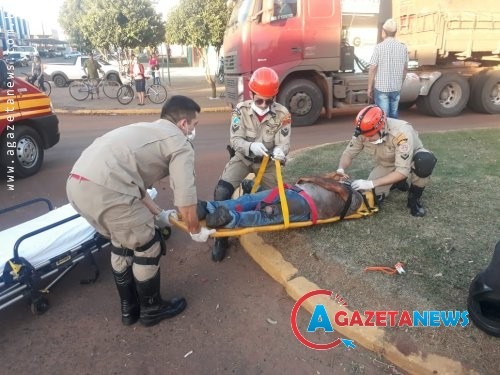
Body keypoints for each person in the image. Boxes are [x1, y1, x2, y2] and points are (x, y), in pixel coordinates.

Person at [66, 95, 215, 327]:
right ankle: (152, 309)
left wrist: (159, 214)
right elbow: (185, 199)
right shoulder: (179, 143)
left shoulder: (146, 130)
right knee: (147, 244)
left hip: (77, 185)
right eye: (194, 125)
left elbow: (137, 186)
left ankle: (130, 308)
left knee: (123, 239)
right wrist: (195, 229)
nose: (193, 131)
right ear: (184, 124)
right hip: (108, 189)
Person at [211, 66, 292, 261]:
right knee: (221, 192)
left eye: (269, 100)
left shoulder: (283, 113)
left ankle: (250, 191)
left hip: (269, 163)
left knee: (273, 204)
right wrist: (250, 147)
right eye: (259, 100)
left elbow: (284, 142)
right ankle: (222, 237)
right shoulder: (240, 110)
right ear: (252, 93)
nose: (264, 105)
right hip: (243, 158)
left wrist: (281, 151)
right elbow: (235, 140)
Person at [336, 105, 437, 217]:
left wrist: (370, 183)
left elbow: (402, 171)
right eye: (364, 135)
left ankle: (414, 200)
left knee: (424, 162)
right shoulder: (363, 131)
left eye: (370, 136)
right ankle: (398, 182)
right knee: (372, 196)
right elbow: (348, 153)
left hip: (411, 159)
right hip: (388, 164)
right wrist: (341, 169)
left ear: (381, 127)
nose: (367, 139)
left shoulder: (401, 133)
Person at [198, 172, 363, 228]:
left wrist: (311, 177)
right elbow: (327, 183)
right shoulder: (338, 194)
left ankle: (228, 218)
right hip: (294, 194)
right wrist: (332, 174)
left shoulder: (351, 196)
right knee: (252, 200)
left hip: (303, 204)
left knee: (265, 213)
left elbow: (337, 187)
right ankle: (209, 207)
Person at [367, 18, 408, 118]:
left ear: (384, 32)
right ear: (395, 32)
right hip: (396, 88)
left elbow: (372, 68)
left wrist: (369, 88)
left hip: (382, 88)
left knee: (382, 116)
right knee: (393, 114)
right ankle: (393, 133)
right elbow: (405, 69)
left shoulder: (379, 47)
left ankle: (384, 133)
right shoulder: (403, 47)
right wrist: (400, 83)